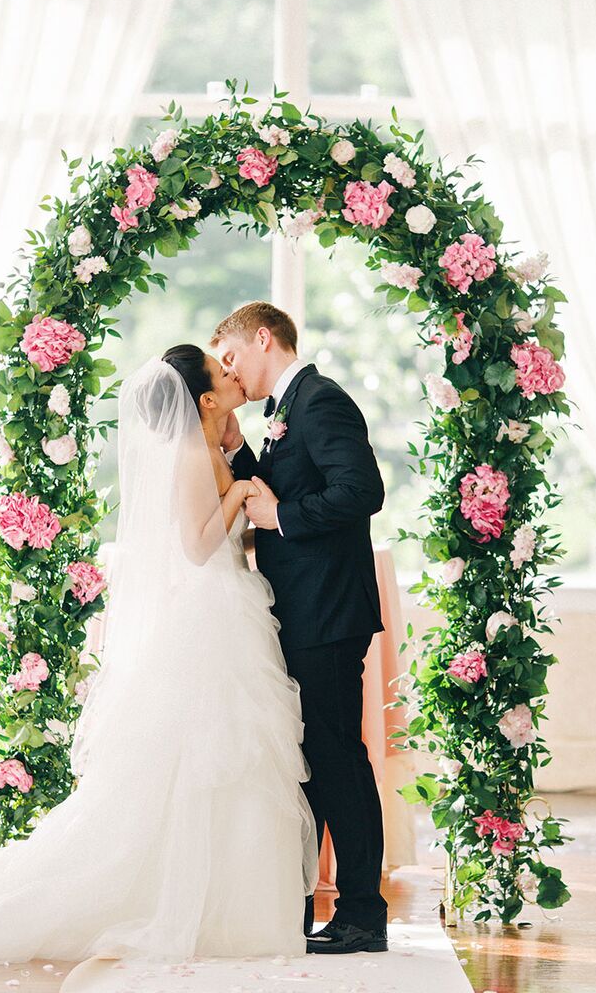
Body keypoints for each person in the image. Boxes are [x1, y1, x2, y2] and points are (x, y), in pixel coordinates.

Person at [0, 350, 319, 971]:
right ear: (205, 401)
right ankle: (206, 908)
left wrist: (242, 493)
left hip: (224, 603)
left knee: (226, 758)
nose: (232, 376)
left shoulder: (201, 447)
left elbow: (217, 533)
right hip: (209, 613)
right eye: (222, 376)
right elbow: (196, 547)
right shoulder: (192, 453)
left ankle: (229, 908)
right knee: (212, 756)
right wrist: (243, 490)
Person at [212, 301, 389, 954]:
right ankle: (314, 907)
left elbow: (361, 490)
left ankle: (364, 915)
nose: (230, 373)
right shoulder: (288, 409)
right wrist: (238, 452)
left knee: (340, 758)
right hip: (305, 610)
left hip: (328, 612)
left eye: (231, 356)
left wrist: (284, 517)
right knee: (317, 760)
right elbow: (276, 489)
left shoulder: (319, 401)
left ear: (264, 338)